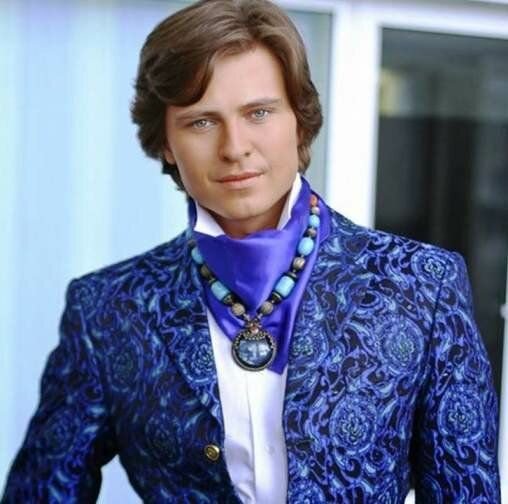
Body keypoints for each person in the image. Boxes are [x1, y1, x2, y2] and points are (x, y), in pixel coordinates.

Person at [2, 0, 501, 502]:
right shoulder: (109, 308)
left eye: (258, 113)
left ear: (299, 121)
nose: (234, 147)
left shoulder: (420, 285)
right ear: (167, 143)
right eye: (201, 122)